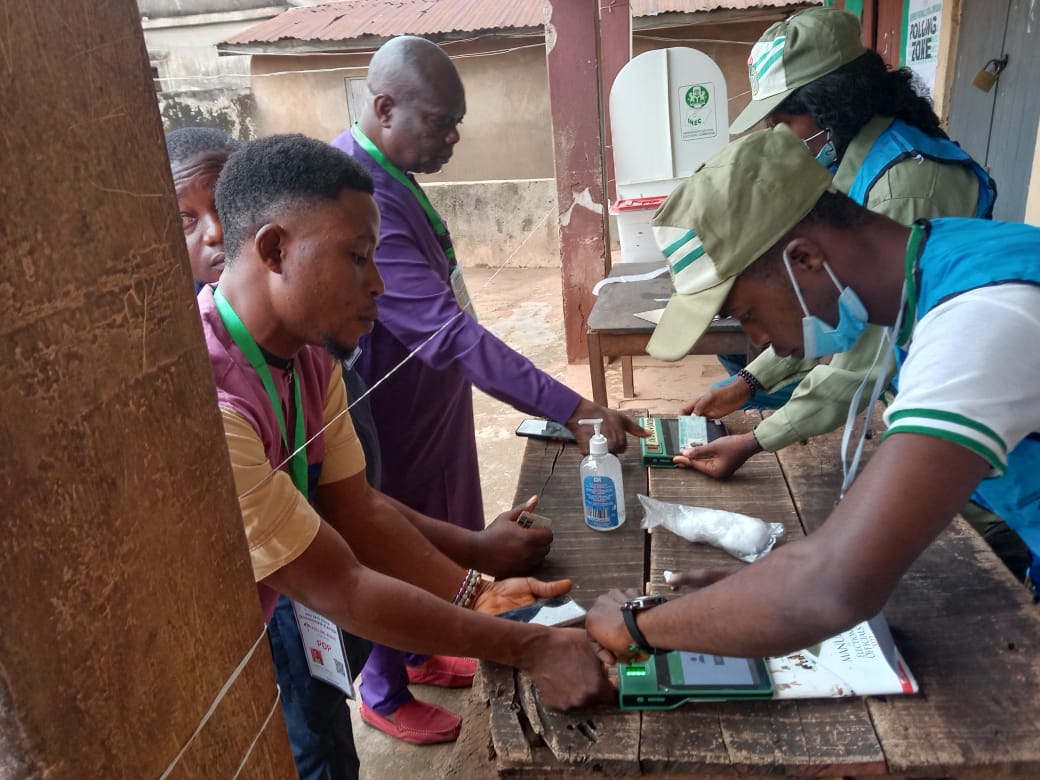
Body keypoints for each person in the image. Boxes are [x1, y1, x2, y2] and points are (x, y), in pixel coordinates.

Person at [199, 133, 613, 776]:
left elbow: (357, 507)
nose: (379, 283)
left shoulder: (309, 356)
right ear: (275, 249)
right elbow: (341, 583)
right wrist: (530, 646)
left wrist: (475, 587)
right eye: (358, 257)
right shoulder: (213, 409)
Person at [585, 125, 1040, 660]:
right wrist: (747, 599)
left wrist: (638, 626)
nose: (755, 339)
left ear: (805, 260)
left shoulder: (980, 319)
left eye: (747, 314)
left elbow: (832, 588)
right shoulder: (939, 259)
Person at [330, 35, 647, 742]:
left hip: (429, 399)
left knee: (443, 522)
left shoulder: (392, 170)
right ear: (384, 107)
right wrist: (570, 406)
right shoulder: (355, 186)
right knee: (388, 534)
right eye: (440, 121)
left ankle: (420, 648)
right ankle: (382, 686)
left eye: (456, 122)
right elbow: (449, 333)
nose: (453, 137)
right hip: (386, 409)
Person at [672, 7, 1027, 578]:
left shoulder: (910, 190)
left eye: (784, 123)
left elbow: (862, 356)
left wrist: (760, 438)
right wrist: (749, 380)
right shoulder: (855, 176)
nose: (758, 339)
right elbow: (825, 302)